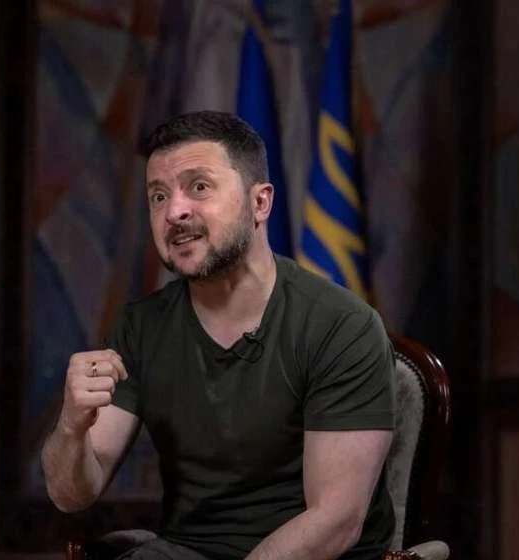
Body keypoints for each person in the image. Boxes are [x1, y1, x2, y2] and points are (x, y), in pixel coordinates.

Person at [41, 110, 395, 560]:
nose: (174, 212)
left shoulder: (341, 326)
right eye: (158, 196)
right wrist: (71, 425)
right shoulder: (141, 327)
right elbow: (71, 495)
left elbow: (336, 522)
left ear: (260, 203)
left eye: (199, 187)